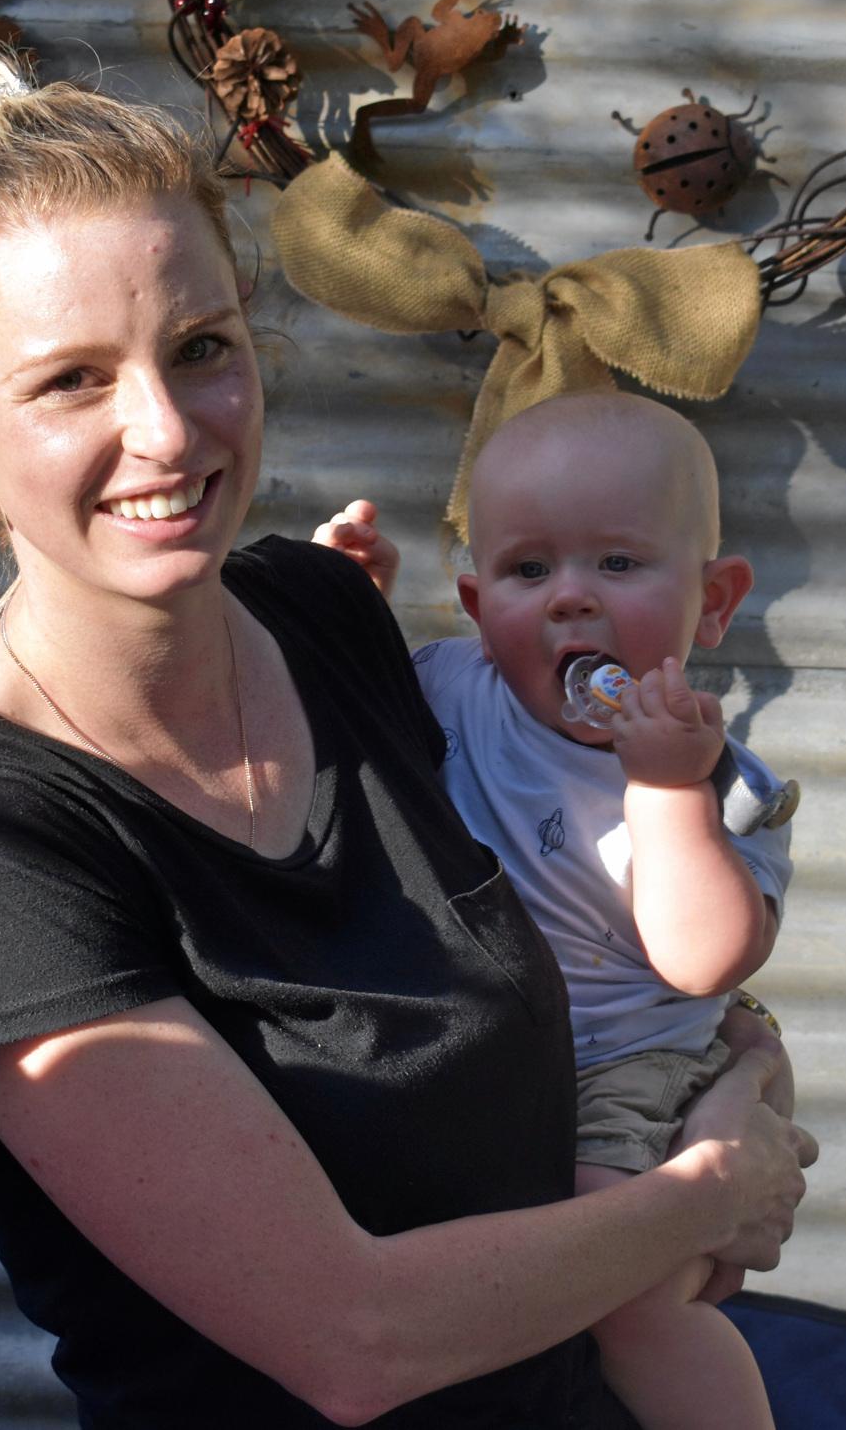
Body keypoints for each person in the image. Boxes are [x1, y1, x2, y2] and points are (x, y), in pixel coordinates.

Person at [0, 40, 815, 1429]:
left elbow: (594, 919)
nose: (166, 432)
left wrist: (738, 1071)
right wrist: (707, 1194)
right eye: (72, 380)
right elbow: (355, 1337)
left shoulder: (321, 614)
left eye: (200, 350)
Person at [314, 393, 794, 1430]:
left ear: (714, 602)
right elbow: (332, 730)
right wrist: (348, 608)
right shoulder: (450, 686)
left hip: (623, 1067)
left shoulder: (722, 782)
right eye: (532, 571)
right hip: (483, 1063)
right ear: (481, 605)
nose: (571, 600)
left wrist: (665, 790)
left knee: (614, 1269)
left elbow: (704, 960)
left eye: (617, 565)